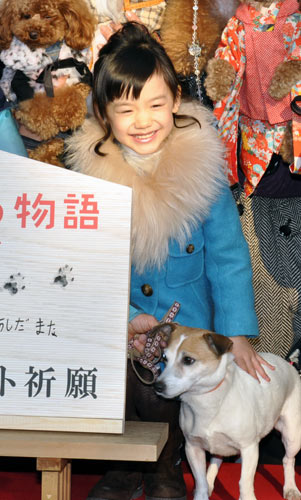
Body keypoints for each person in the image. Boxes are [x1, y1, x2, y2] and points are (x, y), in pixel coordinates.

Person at [65, 22, 273, 500]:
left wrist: (236, 334)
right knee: (114, 382)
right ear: (103, 113)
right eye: (126, 108)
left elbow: (227, 257)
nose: (143, 120)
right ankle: (119, 466)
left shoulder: (202, 168)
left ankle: (165, 465)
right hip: (119, 323)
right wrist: (121, 322)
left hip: (188, 326)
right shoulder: (89, 180)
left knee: (171, 387)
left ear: (177, 100)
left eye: (156, 104)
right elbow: (84, 268)